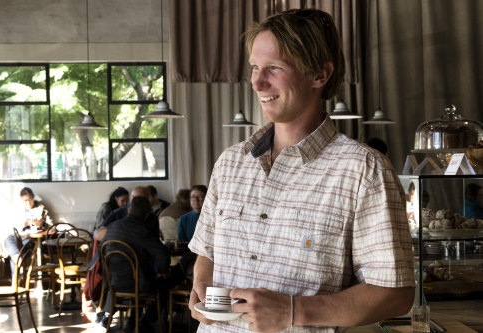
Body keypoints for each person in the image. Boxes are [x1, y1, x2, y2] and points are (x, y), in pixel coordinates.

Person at [188, 8, 415, 333]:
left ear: (320, 75)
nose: (256, 81)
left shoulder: (363, 170)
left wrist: (293, 311)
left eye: (274, 68)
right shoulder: (231, 163)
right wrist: (201, 283)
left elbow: (395, 294)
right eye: (254, 67)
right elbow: (207, 252)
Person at [99, 196, 170, 331]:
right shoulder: (144, 230)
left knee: (143, 277)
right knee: (163, 284)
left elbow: (101, 250)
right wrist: (161, 272)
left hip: (113, 282)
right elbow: (163, 255)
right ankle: (144, 322)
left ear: (129, 210)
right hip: (137, 284)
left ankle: (128, 319)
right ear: (147, 214)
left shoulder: (113, 226)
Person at [4, 187, 53, 274]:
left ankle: (15, 282)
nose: (28, 203)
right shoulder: (18, 210)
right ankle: (17, 257)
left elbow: (53, 227)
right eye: (25, 200)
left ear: (33, 198)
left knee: (15, 258)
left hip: (32, 239)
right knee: (8, 239)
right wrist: (23, 225)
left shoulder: (41, 208)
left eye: (30, 200)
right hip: (20, 236)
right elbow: (11, 226)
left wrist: (42, 223)